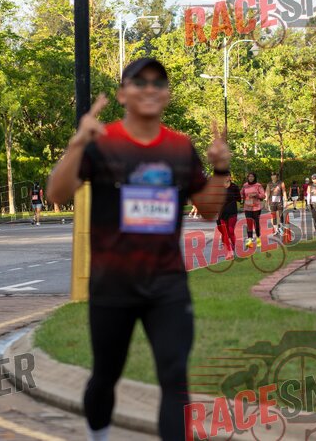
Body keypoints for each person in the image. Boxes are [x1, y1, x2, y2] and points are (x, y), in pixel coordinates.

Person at [46, 58, 229, 441]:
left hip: (167, 285)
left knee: (175, 376)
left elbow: (209, 209)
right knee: (106, 374)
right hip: (112, 285)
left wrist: (221, 171)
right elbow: (57, 194)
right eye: (139, 81)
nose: (149, 88)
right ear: (122, 94)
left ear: (167, 94)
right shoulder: (102, 143)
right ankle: (99, 435)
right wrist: (77, 142)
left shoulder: (180, 148)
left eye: (158, 83)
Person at [216, 175, 241, 260]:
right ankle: (229, 251)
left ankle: (233, 249)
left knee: (230, 231)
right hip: (222, 213)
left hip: (232, 212)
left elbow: (239, 199)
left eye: (227, 176)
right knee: (225, 233)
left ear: (230, 177)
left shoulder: (234, 187)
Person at [241, 172, 266, 249]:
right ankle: (250, 240)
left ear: (254, 177)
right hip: (247, 207)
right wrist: (241, 197)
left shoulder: (258, 185)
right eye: (249, 176)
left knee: (256, 223)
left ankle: (258, 238)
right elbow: (241, 194)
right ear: (248, 178)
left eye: (252, 176)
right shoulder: (245, 185)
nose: (250, 178)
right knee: (249, 223)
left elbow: (263, 196)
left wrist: (256, 195)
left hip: (256, 207)